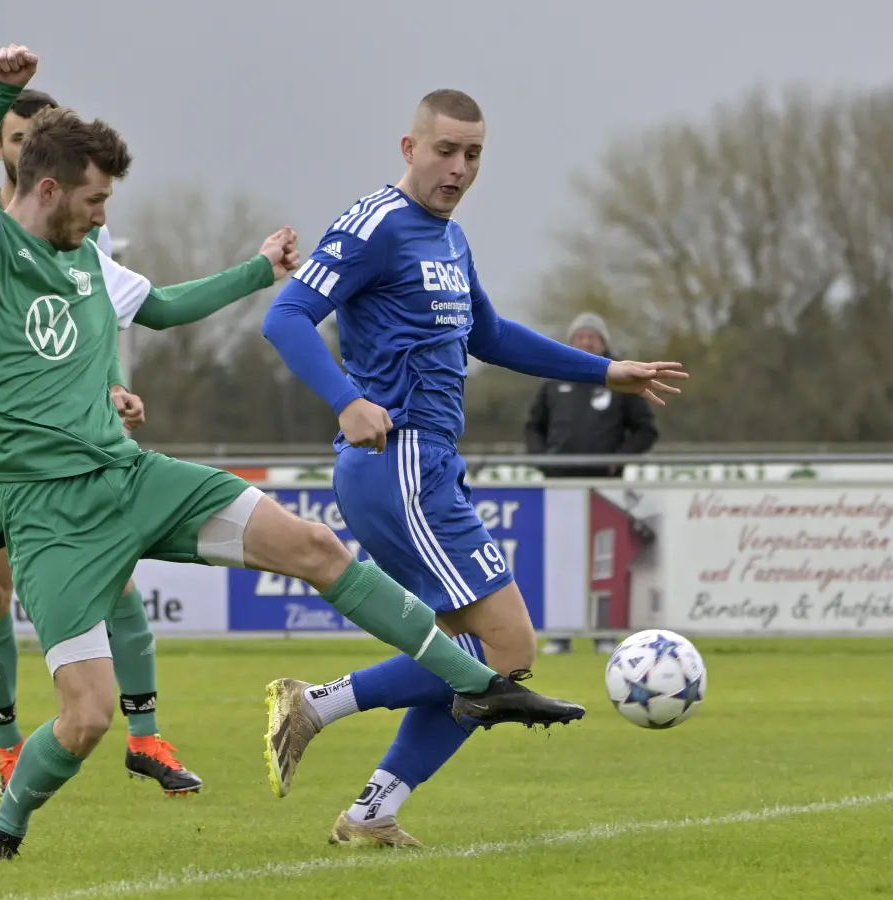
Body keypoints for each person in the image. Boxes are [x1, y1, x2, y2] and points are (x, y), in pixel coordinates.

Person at [0, 46, 586, 864]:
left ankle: (478, 683)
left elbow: (167, 308)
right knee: (88, 718)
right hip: (49, 518)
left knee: (313, 546)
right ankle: (3, 829)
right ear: (48, 188)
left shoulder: (90, 263)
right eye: (96, 200)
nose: (104, 217)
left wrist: (256, 270)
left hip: (133, 480)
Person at [259, 89, 689, 847]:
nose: (458, 168)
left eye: (474, 155)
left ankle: (372, 813)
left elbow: (488, 334)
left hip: (431, 468)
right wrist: (345, 399)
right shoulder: (377, 226)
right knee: (508, 651)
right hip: (398, 462)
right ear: (409, 147)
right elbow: (285, 315)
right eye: (446, 150)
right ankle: (316, 706)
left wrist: (606, 371)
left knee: (482, 669)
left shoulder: (448, 242)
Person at [0, 86, 240, 799]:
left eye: (36, 138)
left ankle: (146, 736)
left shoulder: (84, 228)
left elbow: (99, 320)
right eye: (16, 138)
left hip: (66, 442)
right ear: (0, 147)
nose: (26, 149)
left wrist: (111, 385)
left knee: (115, 575)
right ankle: (6, 747)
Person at [525, 312, 659, 478]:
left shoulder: (622, 380)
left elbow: (646, 430)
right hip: (558, 481)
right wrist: (541, 460)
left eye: (592, 337)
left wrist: (617, 461)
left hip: (605, 483)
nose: (586, 342)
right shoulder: (554, 378)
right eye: (580, 337)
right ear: (570, 343)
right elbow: (533, 426)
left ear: (603, 343)